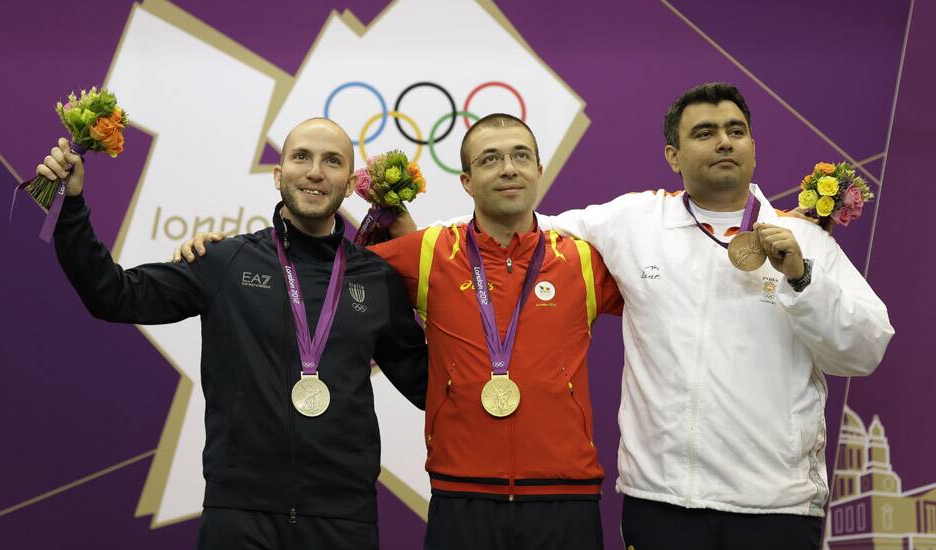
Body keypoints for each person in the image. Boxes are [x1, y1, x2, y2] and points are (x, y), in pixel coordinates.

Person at [179, 114, 624, 550]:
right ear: (467, 181)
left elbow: (670, 309)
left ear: (539, 170)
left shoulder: (585, 261)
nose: (508, 167)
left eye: (520, 156)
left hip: (567, 493)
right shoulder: (428, 251)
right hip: (461, 493)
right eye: (490, 159)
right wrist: (222, 253)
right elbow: (320, 268)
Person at [36, 118, 428, 550]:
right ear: (278, 176)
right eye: (301, 157)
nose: (315, 171)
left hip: (344, 519)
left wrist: (432, 289)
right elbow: (112, 295)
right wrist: (72, 207)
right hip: (241, 517)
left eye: (332, 161)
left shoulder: (376, 279)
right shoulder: (225, 260)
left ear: (350, 184)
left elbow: (430, 385)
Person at [535, 82, 895, 549]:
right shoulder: (633, 222)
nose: (724, 141)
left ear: (752, 146)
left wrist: (803, 279)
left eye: (736, 130)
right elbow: (525, 229)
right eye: (704, 132)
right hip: (660, 502)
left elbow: (865, 350)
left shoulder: (803, 241)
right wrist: (418, 241)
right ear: (673, 155)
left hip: (774, 508)